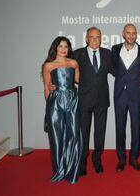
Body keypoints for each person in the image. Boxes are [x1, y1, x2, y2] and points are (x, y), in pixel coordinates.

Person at [73, 27, 114, 176]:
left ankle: (97, 160)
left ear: (101, 38)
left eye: (98, 37)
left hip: (102, 99)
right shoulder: (78, 54)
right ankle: (82, 162)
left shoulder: (107, 54)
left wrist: (137, 73)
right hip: (84, 99)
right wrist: (54, 82)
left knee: (100, 133)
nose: (95, 40)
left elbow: (117, 71)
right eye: (92, 37)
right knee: (83, 133)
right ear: (87, 39)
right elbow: (66, 69)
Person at [42, 36, 82, 183]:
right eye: (60, 46)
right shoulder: (48, 65)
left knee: (74, 134)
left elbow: (78, 80)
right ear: (55, 48)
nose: (64, 49)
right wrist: (49, 108)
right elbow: (47, 88)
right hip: (55, 102)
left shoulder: (73, 63)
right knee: (56, 137)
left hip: (72, 100)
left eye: (66, 46)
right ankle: (59, 170)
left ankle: (71, 170)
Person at [111, 24, 140, 172]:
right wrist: (123, 78)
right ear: (123, 34)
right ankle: (121, 158)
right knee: (119, 127)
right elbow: (112, 68)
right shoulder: (114, 49)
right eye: (128, 33)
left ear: (136, 35)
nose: (131, 35)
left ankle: (134, 158)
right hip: (119, 94)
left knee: (135, 127)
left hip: (136, 94)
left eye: (134, 33)